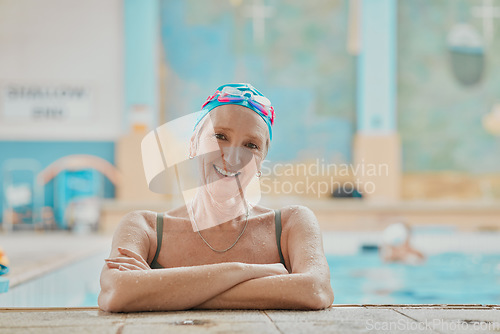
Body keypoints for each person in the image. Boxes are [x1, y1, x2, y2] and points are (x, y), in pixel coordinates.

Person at [98, 83, 334, 312]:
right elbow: (115, 293)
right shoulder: (144, 227)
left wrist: (161, 290)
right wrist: (243, 271)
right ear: (193, 144)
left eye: (251, 145)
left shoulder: (291, 224)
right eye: (220, 136)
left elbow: (316, 290)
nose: (232, 157)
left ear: (261, 160)